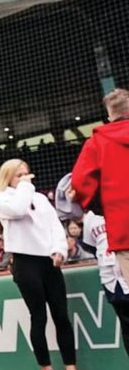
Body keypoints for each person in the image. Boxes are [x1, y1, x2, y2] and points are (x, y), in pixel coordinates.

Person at [0, 159, 95, 370]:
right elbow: (17, 210)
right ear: (8, 177)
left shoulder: (39, 199)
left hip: (48, 261)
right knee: (38, 316)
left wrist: (60, 250)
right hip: (25, 262)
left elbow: (55, 225)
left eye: (27, 174)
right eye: (19, 175)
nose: (26, 178)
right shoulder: (3, 198)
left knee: (61, 315)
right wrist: (25, 186)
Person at [71, 87, 129, 283]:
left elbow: (79, 183)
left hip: (123, 229)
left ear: (110, 114)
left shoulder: (96, 142)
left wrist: (101, 207)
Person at [81, 208, 129, 360]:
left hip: (125, 267)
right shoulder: (90, 217)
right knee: (126, 323)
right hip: (110, 278)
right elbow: (90, 245)